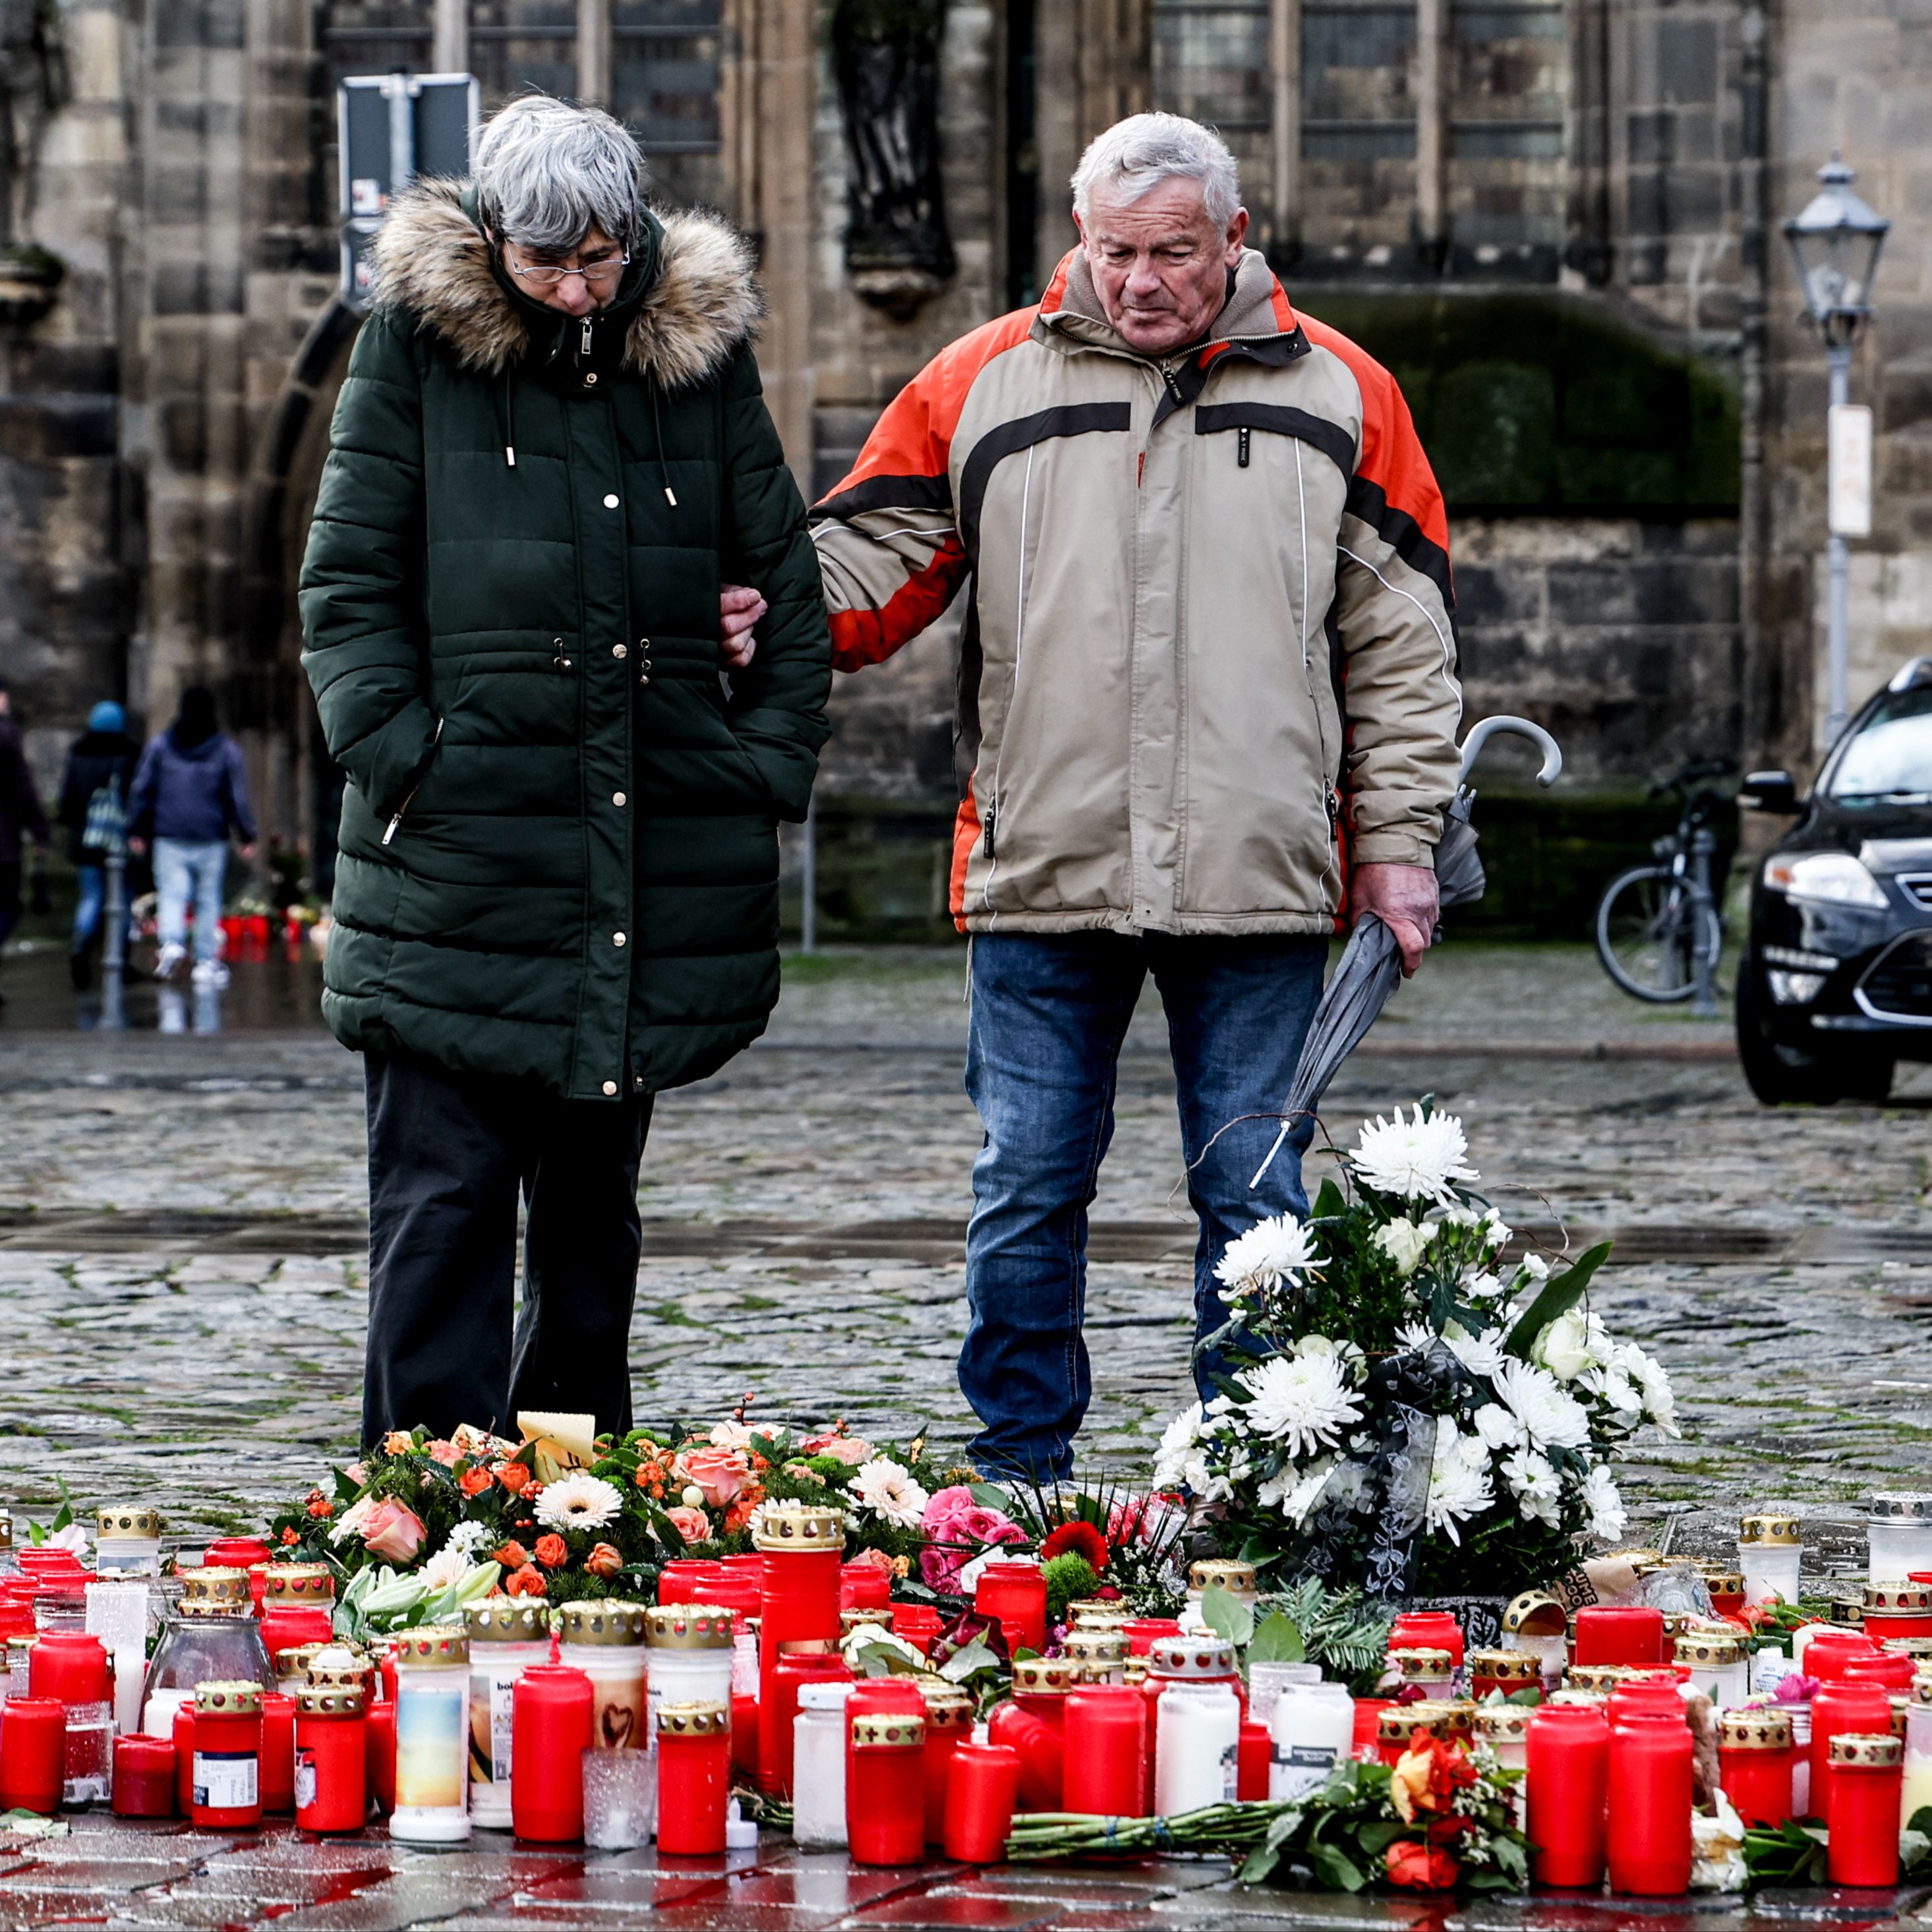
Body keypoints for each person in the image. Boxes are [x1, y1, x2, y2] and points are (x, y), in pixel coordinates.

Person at [810, 113, 1463, 1480]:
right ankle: (1017, 1469)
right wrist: (747, 592)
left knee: (1253, 1195)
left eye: (1172, 251)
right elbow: (866, 562)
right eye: (1113, 252)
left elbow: (1401, 649)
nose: (1140, 281)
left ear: (1232, 238)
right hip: (1044, 868)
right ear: (1078, 239)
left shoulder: (1345, 392)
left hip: (1262, 872)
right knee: (1026, 1189)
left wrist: (1395, 850)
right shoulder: (978, 380)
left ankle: (1251, 1472)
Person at [299, 97, 829, 1447]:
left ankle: (570, 1515)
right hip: (451, 862)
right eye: (547, 262)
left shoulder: (695, 358)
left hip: (634, 856)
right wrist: (404, 759)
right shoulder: (411, 350)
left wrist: (761, 768)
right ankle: (419, 1515)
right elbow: (347, 585)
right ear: (492, 238)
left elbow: (780, 581)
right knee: (445, 1208)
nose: (575, 286)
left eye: (597, 257)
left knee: (591, 1222)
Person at [127, 685, 257, 987]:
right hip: (211, 835)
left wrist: (136, 828)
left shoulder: (161, 745)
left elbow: (142, 788)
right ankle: (205, 961)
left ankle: (171, 944)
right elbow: (237, 795)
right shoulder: (225, 749)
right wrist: (246, 834)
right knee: (208, 899)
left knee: (172, 895)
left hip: (169, 833)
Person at [57, 701, 142, 989]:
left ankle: (80, 949)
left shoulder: (78, 753)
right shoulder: (130, 753)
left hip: (85, 840)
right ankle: (120, 957)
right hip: (119, 839)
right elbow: (138, 797)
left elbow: (67, 802)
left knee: (91, 897)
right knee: (123, 898)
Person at [0, 678, 52, 1005]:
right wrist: (39, 830)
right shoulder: (5, 735)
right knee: (8, 905)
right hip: (2, 843)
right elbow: (21, 786)